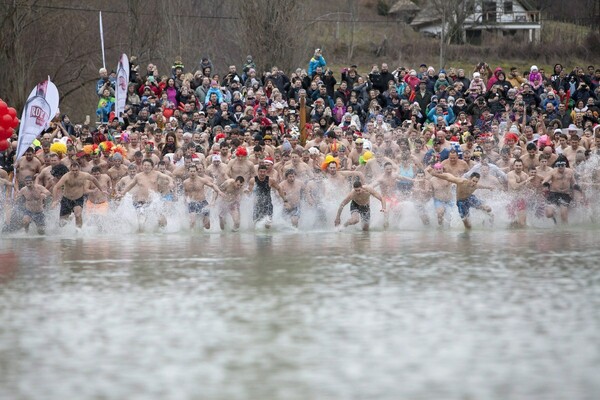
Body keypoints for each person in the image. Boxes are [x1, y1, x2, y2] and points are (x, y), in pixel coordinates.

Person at [117, 159, 174, 230]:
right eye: (144, 165)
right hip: (141, 203)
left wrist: (171, 183)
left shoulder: (156, 174)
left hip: (154, 202)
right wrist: (122, 194)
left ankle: (161, 236)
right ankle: (141, 239)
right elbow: (130, 186)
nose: (146, 167)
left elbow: (168, 177)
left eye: (148, 165)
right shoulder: (138, 176)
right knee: (141, 223)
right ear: (142, 166)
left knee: (162, 221)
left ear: (152, 167)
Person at [52, 162, 106, 229]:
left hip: (78, 199)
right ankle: (62, 231)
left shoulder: (84, 175)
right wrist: (54, 200)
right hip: (66, 199)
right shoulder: (66, 176)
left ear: (79, 169)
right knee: (62, 222)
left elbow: (94, 179)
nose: (74, 172)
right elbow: (56, 187)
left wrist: (101, 189)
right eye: (73, 170)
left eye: (76, 170)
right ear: (70, 169)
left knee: (78, 215)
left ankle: (79, 231)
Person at [183, 163, 224, 230]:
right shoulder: (185, 182)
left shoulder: (202, 180)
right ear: (188, 172)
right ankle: (191, 237)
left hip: (203, 203)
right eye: (191, 171)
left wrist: (219, 191)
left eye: (194, 171)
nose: (192, 173)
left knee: (207, 226)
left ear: (196, 172)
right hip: (192, 203)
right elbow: (185, 192)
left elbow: (213, 185)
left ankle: (201, 231)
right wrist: (184, 201)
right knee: (192, 221)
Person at [246, 164, 287, 229]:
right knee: (256, 224)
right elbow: (250, 193)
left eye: (264, 172)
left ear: (266, 172)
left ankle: (268, 238)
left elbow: (279, 188)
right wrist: (246, 193)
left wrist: (284, 199)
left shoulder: (270, 180)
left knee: (268, 224)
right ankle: (256, 238)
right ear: (258, 171)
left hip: (267, 205)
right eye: (261, 171)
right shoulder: (253, 180)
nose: (262, 173)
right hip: (257, 205)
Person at [542, 159, 576, 224]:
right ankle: (555, 219)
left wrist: (576, 191)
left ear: (565, 165)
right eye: (558, 165)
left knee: (564, 216)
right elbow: (545, 181)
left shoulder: (570, 172)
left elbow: (574, 182)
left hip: (565, 194)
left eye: (562, 165)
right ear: (556, 165)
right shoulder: (553, 172)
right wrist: (546, 184)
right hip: (553, 194)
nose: (560, 167)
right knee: (549, 214)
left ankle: (564, 232)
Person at [506, 159, 533, 227]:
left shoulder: (525, 175)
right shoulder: (510, 174)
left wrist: (530, 192)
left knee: (522, 223)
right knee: (512, 224)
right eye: (517, 165)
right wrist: (526, 181)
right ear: (513, 166)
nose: (518, 167)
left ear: (522, 166)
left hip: (521, 200)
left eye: (520, 165)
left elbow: (528, 188)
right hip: (511, 200)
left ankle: (524, 236)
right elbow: (514, 186)